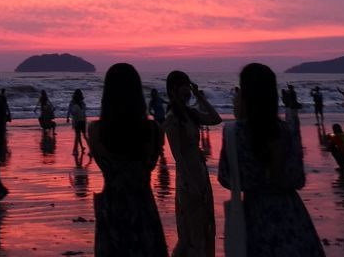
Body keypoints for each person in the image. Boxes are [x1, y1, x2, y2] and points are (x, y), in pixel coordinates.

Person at [217, 62, 323, 257]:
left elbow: (225, 178)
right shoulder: (288, 130)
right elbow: (298, 179)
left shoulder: (234, 132)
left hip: (256, 216)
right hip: (291, 215)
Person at [88, 62, 167, 256]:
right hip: (142, 206)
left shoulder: (96, 131)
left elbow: (102, 163)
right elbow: (152, 162)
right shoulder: (153, 131)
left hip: (112, 207)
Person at [163, 71, 220, 257]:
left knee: (205, 224)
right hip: (188, 179)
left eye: (188, 85)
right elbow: (177, 155)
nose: (187, 90)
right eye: (183, 86)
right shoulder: (172, 118)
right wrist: (191, 183)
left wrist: (199, 96)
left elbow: (215, 118)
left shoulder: (190, 114)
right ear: (173, 90)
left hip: (201, 174)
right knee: (191, 228)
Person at [68, 89, 89, 155]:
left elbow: (70, 111)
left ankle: (75, 150)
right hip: (83, 120)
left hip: (77, 120)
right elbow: (84, 111)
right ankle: (91, 149)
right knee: (84, 136)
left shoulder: (73, 102)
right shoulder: (82, 103)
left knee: (77, 136)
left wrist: (68, 117)